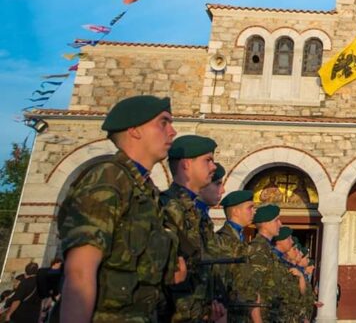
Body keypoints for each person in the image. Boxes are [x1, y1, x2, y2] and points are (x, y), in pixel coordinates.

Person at [54, 94, 185, 323]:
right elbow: (80, 272)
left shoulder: (145, 190)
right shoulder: (108, 178)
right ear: (134, 130)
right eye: (163, 123)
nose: (172, 132)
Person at [160, 133, 224, 322]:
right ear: (186, 164)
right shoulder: (166, 207)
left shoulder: (196, 212)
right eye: (208, 160)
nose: (213, 167)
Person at [207, 189, 262, 322]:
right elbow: (219, 281)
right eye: (250, 208)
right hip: (229, 315)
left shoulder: (240, 239)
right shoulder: (223, 241)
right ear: (236, 211)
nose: (254, 212)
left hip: (242, 315)